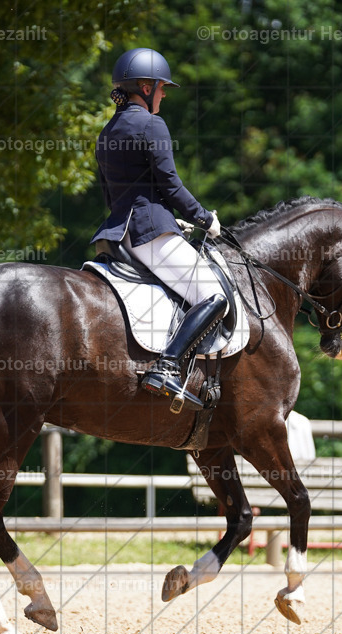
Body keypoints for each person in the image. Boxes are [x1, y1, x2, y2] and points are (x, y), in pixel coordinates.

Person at [93, 47, 229, 412]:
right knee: (214, 297)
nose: (165, 94)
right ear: (145, 86)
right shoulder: (152, 125)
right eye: (162, 87)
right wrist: (204, 219)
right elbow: (170, 184)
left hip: (117, 235)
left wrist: (172, 218)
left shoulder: (107, 132)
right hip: (149, 233)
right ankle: (167, 366)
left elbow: (116, 194)